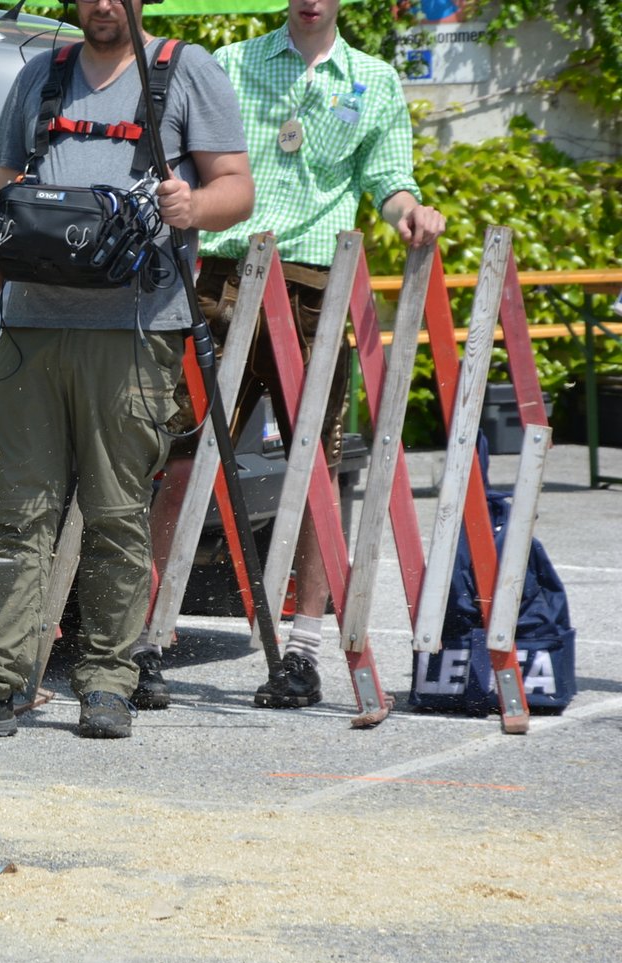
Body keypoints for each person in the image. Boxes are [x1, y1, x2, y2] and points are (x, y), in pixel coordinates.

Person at [138, 0, 446, 712]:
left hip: (314, 288)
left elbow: (389, 183)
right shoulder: (233, 63)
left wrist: (411, 214)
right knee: (179, 459)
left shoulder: (373, 79)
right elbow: (188, 158)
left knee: (316, 469)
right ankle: (145, 639)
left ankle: (303, 651)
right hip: (223, 275)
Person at [0, 0, 253, 740]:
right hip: (31, 332)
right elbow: (2, 196)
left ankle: (107, 681)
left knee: (117, 515)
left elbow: (237, 189)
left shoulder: (186, 72)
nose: (100, 5)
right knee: (16, 514)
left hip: (133, 332)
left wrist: (195, 205)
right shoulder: (40, 75)